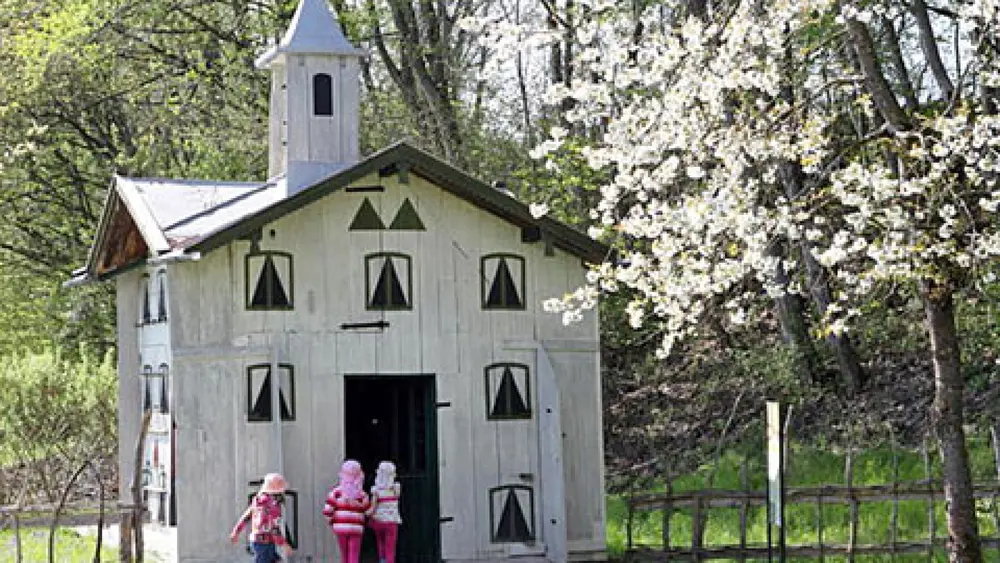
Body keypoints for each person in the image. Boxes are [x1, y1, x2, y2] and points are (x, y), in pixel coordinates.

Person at [230, 472, 294, 563]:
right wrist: (284, 544)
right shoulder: (272, 505)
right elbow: (273, 527)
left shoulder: (257, 500)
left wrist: (236, 531)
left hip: (258, 541)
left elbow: (246, 517)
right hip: (265, 543)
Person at [322, 460, 370, 563]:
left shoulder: (336, 492)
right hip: (356, 528)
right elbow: (367, 510)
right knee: (354, 556)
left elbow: (327, 511)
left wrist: (332, 521)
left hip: (340, 527)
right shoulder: (362, 495)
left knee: (344, 555)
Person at [367, 461, 402, 563]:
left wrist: (365, 512)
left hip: (379, 521)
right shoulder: (396, 488)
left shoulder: (376, 490)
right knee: (390, 546)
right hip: (392, 521)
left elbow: (372, 508)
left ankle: (382, 561)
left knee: (380, 543)